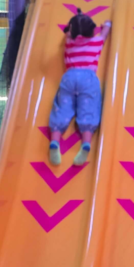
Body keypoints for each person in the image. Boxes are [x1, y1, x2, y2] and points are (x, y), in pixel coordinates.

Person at [48, 10, 112, 167]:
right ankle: (86, 143)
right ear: (92, 32)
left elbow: (68, 33)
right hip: (88, 79)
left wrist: (73, 26)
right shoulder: (96, 43)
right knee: (88, 108)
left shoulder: (69, 42)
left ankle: (55, 141)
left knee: (62, 108)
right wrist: (107, 25)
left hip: (69, 77)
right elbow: (105, 33)